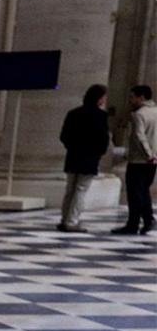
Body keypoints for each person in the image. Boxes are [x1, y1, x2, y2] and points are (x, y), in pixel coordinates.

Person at [57, 84, 110, 233]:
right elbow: (103, 139)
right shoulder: (101, 116)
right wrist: (98, 153)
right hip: (90, 158)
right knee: (80, 190)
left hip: (73, 155)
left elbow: (64, 136)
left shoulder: (73, 113)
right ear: (99, 99)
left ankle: (64, 219)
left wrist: (72, 147)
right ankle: (72, 221)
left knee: (70, 190)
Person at [113, 84, 156, 235]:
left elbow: (139, 136)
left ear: (141, 97)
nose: (130, 100)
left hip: (140, 160)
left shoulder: (139, 114)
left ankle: (134, 224)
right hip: (152, 162)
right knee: (143, 191)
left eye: (132, 96)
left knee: (135, 193)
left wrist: (148, 154)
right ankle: (148, 219)